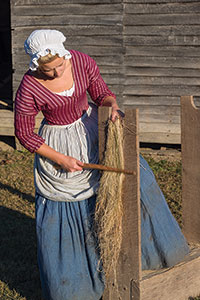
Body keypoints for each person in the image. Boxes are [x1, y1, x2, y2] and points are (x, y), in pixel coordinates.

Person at [14, 29, 189, 300]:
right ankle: (80, 287)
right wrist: (61, 159)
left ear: (64, 54)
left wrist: (112, 107)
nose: (56, 74)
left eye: (59, 66)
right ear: (36, 64)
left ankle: (149, 257)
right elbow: (24, 133)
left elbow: (102, 93)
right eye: (48, 71)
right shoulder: (29, 86)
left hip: (94, 131)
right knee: (72, 207)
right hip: (60, 146)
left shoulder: (82, 62)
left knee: (138, 179)